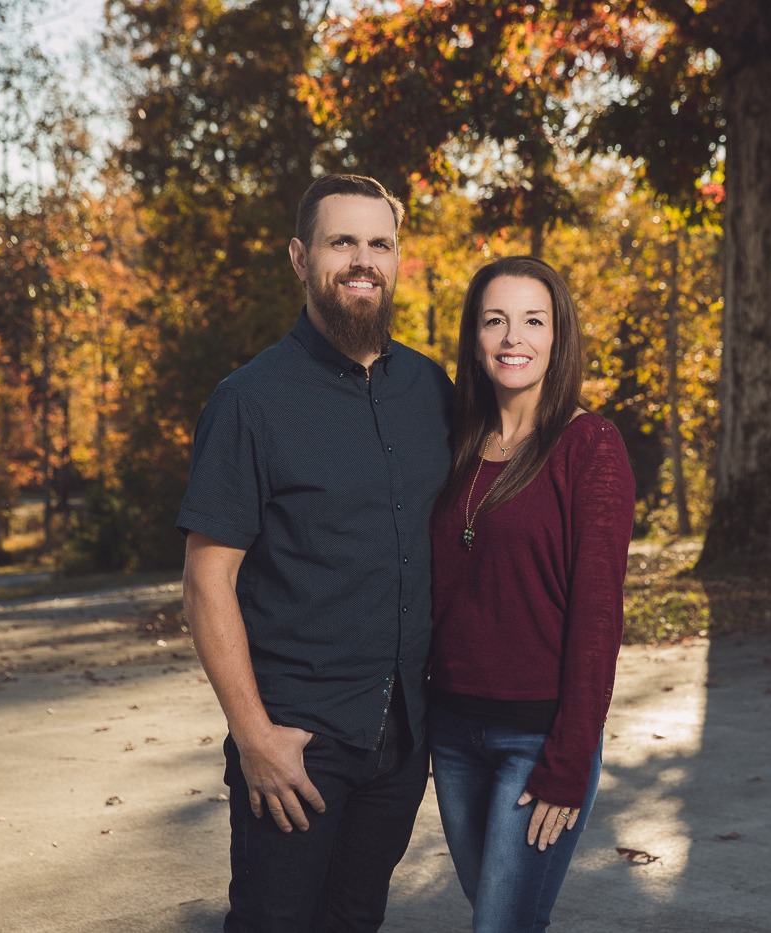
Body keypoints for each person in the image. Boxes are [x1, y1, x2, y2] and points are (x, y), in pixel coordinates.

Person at [177, 173, 453, 932]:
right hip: (295, 743)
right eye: (342, 242)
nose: (362, 260)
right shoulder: (249, 400)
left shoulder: (431, 391)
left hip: (400, 741)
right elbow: (208, 584)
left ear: (398, 262)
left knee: (355, 919)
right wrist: (254, 737)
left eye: (379, 243)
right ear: (302, 258)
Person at [427, 256, 635, 932]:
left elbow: (599, 617)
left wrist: (569, 757)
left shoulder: (590, 447)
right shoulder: (454, 443)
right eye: (496, 320)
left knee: (501, 924)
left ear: (558, 335)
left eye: (533, 320)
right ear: (475, 336)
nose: (514, 337)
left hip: (538, 738)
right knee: (504, 915)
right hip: (454, 733)